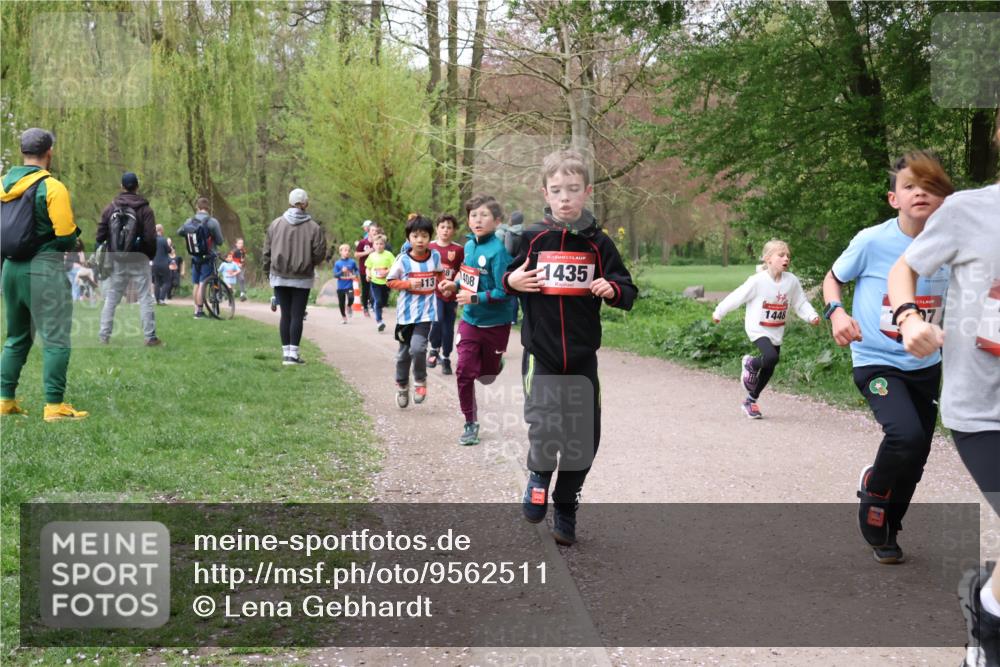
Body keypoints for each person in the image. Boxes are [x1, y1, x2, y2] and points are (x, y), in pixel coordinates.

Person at [888, 146, 999, 667]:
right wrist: (910, 319)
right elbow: (904, 269)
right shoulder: (970, 212)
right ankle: (990, 632)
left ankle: (989, 601)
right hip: (984, 408)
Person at [822, 150, 954, 565]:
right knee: (905, 436)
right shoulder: (872, 240)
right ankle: (874, 497)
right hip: (876, 360)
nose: (920, 193)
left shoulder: (954, 245)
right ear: (893, 198)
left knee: (918, 454)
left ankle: (890, 527)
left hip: (925, 366)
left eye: (930, 186)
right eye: (910, 185)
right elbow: (833, 279)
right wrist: (836, 313)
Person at [503, 149, 637, 546]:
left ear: (587, 192)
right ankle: (539, 477)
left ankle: (565, 505)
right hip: (542, 353)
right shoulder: (532, 238)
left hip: (581, 357)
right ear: (545, 192)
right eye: (557, 190)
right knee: (546, 424)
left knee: (584, 438)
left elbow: (627, 290)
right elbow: (504, 277)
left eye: (573, 190)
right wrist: (513, 283)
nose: (565, 197)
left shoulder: (599, 243)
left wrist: (611, 289)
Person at [0, 127, 88, 421]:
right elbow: (65, 237)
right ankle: (54, 406)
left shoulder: (2, 185)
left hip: (10, 269)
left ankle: (5, 400)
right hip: (44, 269)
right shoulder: (53, 187)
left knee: (15, 337)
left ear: (23, 152)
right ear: (49, 152)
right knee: (56, 337)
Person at [711, 239, 820, 418]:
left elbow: (800, 303)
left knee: (770, 365)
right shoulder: (757, 281)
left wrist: (811, 315)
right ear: (768, 259)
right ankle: (751, 363)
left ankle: (750, 401)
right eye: (781, 255)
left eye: (788, 256)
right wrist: (719, 312)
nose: (786, 258)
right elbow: (737, 297)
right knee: (770, 357)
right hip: (757, 328)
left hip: (776, 330)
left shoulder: (791, 281)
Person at [438, 196, 515, 445]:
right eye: (473, 215)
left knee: (487, 374)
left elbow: (505, 292)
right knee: (463, 371)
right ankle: (470, 422)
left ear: (497, 221)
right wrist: (455, 283)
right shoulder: (469, 246)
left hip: (496, 324)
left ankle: (495, 363)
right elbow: (467, 275)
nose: (478, 220)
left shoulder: (499, 252)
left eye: (484, 215)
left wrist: (475, 298)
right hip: (470, 321)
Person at [263, 188, 327, 365]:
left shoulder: (275, 224)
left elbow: (267, 251)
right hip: (303, 277)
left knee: (285, 315)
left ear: (290, 202)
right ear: (305, 204)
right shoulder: (314, 227)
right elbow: (320, 252)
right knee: (297, 315)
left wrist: (266, 271)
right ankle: (293, 354)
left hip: (279, 275)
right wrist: (309, 262)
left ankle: (286, 355)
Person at [96, 171, 161, 346]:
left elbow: (100, 235)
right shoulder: (145, 209)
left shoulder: (110, 207)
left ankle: (104, 336)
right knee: (145, 297)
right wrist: (148, 255)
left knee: (112, 297)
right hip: (139, 259)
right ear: (137, 186)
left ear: (122, 186)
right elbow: (150, 237)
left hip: (117, 259)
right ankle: (150, 337)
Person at [386, 215, 444, 407]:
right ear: (408, 238)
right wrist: (408, 283)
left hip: (426, 314)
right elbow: (390, 281)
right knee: (403, 354)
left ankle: (420, 379)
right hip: (405, 316)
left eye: (425, 236)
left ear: (430, 237)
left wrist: (443, 284)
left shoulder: (435, 256)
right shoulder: (403, 260)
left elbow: (439, 274)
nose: (420, 240)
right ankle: (402, 385)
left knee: (417, 348)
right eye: (415, 236)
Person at [426, 213, 464, 375]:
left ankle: (446, 357)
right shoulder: (430, 247)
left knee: (448, 327)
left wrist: (453, 285)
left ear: (454, 230)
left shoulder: (459, 249)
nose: (446, 230)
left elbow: (462, 270)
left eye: (449, 227)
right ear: (437, 229)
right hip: (434, 292)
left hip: (451, 293)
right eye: (442, 227)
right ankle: (434, 348)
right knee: (437, 319)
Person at [177, 197, 225, 319]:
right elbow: (220, 241)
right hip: (208, 256)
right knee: (203, 282)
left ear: (197, 207)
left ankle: (196, 310)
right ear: (208, 208)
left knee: (196, 283)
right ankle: (199, 312)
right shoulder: (212, 222)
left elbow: (180, 232)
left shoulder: (189, 221)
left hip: (194, 256)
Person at [366, 234, 395, 333]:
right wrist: (368, 275)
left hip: (386, 283)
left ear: (384, 245)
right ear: (373, 245)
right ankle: (379, 321)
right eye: (376, 244)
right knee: (378, 301)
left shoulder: (389, 255)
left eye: (381, 244)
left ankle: (377, 309)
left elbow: (394, 266)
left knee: (383, 302)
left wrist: (387, 271)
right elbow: (368, 267)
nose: (379, 246)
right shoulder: (371, 256)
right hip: (375, 282)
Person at [333, 243, 359, 324]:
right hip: (340, 287)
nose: (347, 252)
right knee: (341, 303)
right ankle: (344, 318)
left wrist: (355, 275)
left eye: (348, 250)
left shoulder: (352, 262)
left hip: (349, 285)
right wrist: (342, 271)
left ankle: (349, 306)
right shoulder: (337, 263)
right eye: (345, 250)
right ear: (340, 252)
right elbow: (335, 275)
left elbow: (357, 270)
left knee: (351, 298)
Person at [355, 220, 375, 316]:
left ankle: (375, 306)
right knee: (366, 289)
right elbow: (356, 254)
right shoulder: (363, 242)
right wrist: (366, 253)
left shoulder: (378, 243)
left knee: (376, 288)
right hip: (364, 269)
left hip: (376, 270)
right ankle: (365, 308)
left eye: (376, 230)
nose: (374, 232)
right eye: (372, 230)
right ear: (368, 231)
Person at [151, 224, 172, 305]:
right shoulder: (163, 240)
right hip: (163, 263)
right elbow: (169, 250)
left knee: (157, 282)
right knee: (167, 282)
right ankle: (161, 298)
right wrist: (169, 245)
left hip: (155, 263)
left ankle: (157, 299)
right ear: (161, 230)